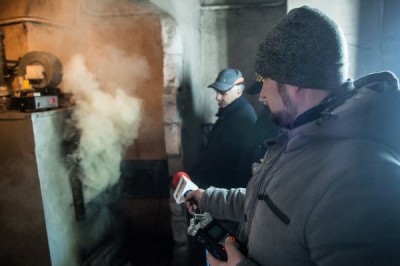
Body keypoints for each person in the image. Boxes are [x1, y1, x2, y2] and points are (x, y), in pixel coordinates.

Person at [186, 6, 400, 266]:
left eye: (266, 79)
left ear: (295, 82)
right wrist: (206, 198)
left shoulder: (365, 179)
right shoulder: (298, 138)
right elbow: (262, 200)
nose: (262, 95)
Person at [170, 68, 257, 266]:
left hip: (223, 207)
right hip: (211, 199)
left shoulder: (243, 120)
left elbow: (231, 169)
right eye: (216, 91)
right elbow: (212, 159)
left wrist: (205, 193)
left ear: (238, 91)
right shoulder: (227, 117)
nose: (217, 97)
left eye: (223, 92)